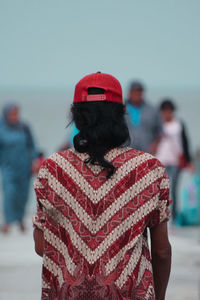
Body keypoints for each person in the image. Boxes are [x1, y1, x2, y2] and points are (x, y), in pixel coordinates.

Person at [33, 72, 171, 300]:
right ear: (121, 114)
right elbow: (162, 251)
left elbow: (41, 246)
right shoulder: (149, 169)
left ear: (75, 115)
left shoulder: (52, 169)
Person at [0, 103, 37, 233]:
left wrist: (34, 161)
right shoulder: (1, 128)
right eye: (12, 114)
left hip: (24, 167)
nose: (15, 116)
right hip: (8, 168)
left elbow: (32, 146)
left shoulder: (24, 127)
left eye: (17, 113)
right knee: (9, 193)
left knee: (23, 195)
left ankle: (20, 219)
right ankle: (8, 222)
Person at [156, 99, 192, 222]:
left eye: (169, 111)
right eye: (164, 111)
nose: (167, 114)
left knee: (174, 190)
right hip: (160, 160)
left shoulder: (178, 124)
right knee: (160, 191)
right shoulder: (158, 125)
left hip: (175, 161)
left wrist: (188, 161)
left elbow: (185, 142)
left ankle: (175, 217)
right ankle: (160, 216)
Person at [126, 81, 162, 155]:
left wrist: (155, 145)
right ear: (130, 92)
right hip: (125, 152)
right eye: (135, 91)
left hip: (146, 153)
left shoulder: (152, 110)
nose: (137, 94)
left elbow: (159, 131)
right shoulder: (120, 109)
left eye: (139, 91)